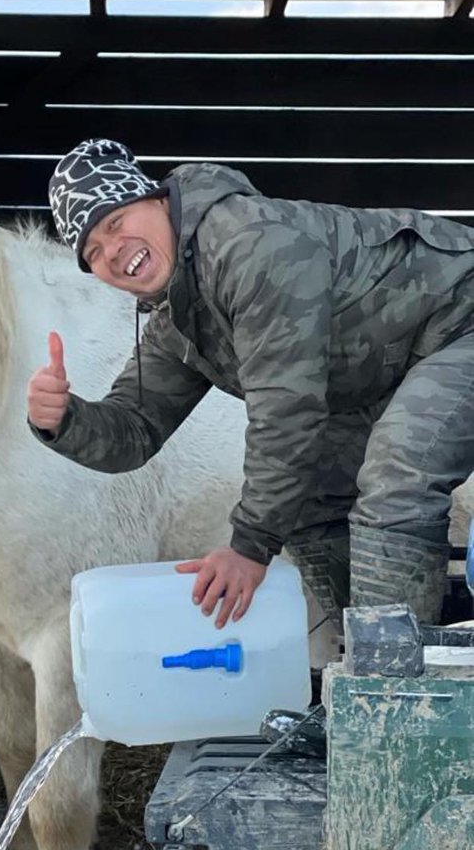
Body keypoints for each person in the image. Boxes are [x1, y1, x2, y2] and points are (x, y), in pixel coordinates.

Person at [27, 138, 474, 628]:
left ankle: (391, 683)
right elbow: (134, 430)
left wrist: (249, 548)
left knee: (397, 473)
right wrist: (62, 420)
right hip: (401, 361)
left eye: (115, 223)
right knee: (309, 498)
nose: (112, 251)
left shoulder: (247, 242)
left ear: (156, 200)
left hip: (462, 320)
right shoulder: (177, 317)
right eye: (91, 252)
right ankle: (381, 652)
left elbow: (288, 411)